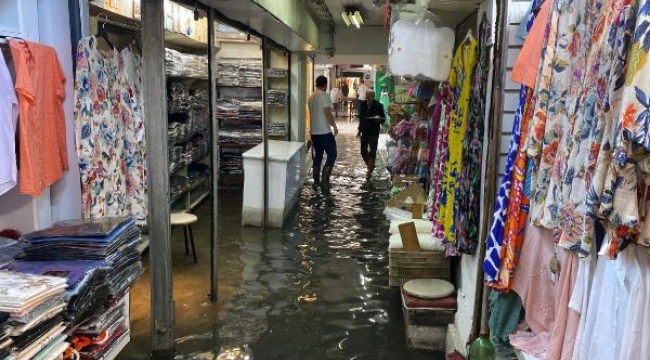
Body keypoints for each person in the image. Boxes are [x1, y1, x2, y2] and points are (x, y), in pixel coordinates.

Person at [308, 75, 338, 190]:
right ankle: (325, 181)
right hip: (324, 132)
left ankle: (316, 182)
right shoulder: (325, 96)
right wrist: (334, 126)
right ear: (325, 85)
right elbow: (327, 112)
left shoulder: (311, 97)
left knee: (318, 155)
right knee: (332, 154)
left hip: (314, 133)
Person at [357, 90, 384, 180]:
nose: (368, 99)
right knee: (363, 151)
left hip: (374, 132)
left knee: (372, 151)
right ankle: (371, 165)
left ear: (373, 97)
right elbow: (361, 118)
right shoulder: (363, 104)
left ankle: (369, 171)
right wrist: (359, 130)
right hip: (364, 131)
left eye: (370, 97)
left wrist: (378, 119)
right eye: (367, 97)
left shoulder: (379, 105)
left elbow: (383, 119)